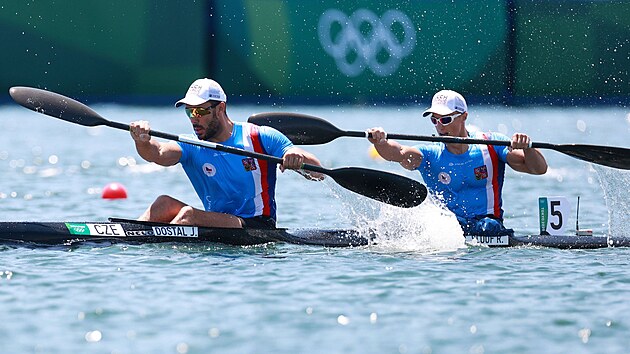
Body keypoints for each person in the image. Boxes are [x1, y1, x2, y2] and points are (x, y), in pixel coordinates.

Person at [129, 78, 323, 229]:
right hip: (217, 222)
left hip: (255, 225)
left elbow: (318, 173)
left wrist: (296, 157)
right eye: (189, 112)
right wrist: (142, 140)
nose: (193, 119)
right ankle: (129, 239)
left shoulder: (259, 137)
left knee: (188, 215)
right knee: (162, 204)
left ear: (220, 108)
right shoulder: (191, 144)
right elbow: (158, 153)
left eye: (200, 112)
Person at [367, 90, 548, 236]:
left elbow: (538, 169)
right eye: (434, 120)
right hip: (447, 230)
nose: (440, 127)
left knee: (488, 227)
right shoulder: (430, 154)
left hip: (488, 225)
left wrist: (527, 148)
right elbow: (398, 153)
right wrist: (380, 142)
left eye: (445, 119)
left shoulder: (491, 145)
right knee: (447, 225)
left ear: (464, 116)